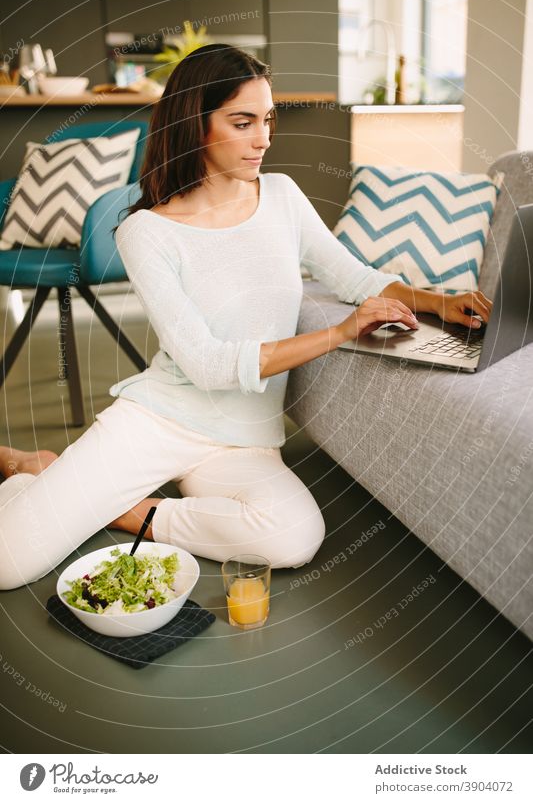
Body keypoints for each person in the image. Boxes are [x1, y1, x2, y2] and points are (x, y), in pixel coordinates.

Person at [0, 45, 492, 590]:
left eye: (267, 120)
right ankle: (33, 468)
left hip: (245, 439)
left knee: (293, 537)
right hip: (161, 421)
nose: (263, 139)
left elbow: (352, 276)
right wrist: (339, 333)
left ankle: (128, 512)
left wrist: (438, 301)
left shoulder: (281, 195)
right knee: (6, 565)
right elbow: (209, 364)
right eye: (242, 122)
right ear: (195, 123)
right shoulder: (146, 231)